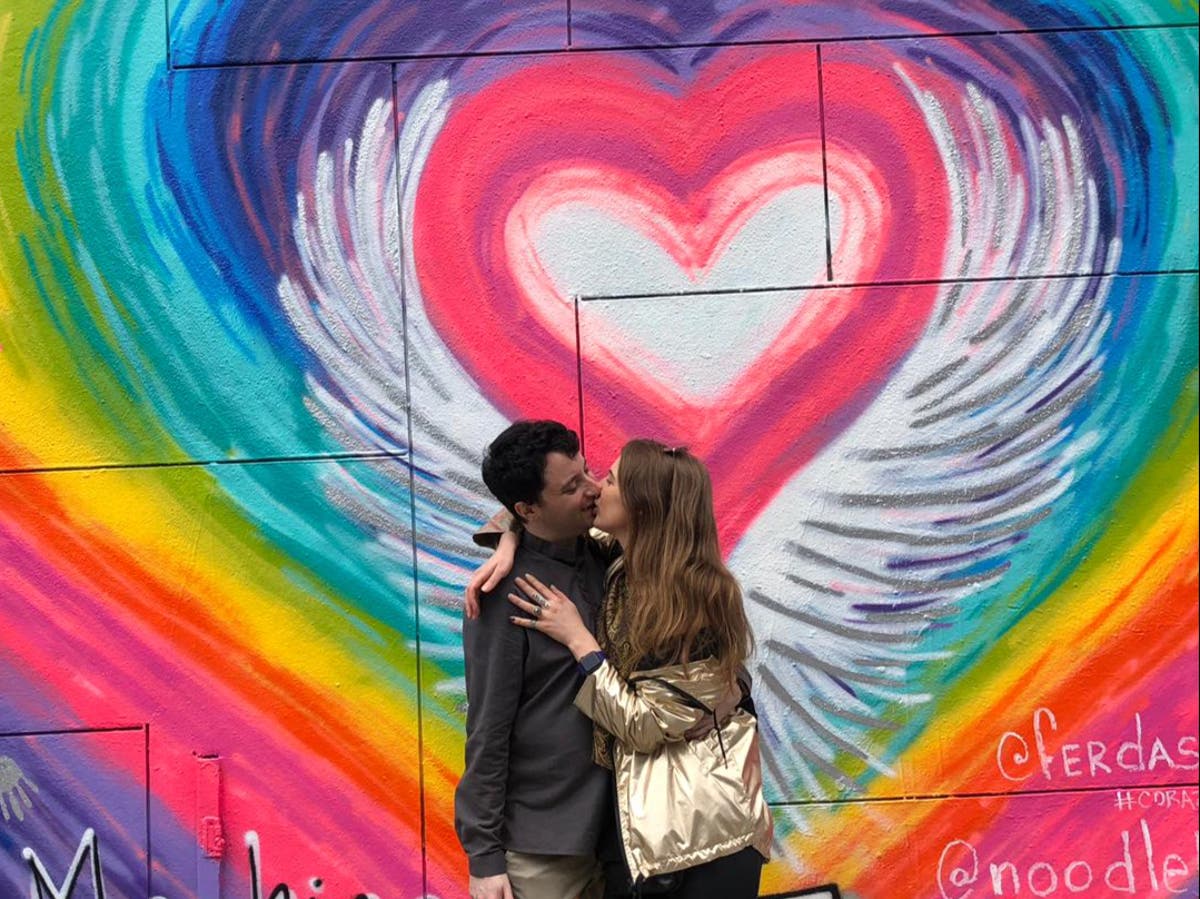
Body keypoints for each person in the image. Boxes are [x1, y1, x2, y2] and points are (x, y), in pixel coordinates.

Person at [472, 439, 773, 897]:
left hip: (702, 835)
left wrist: (579, 640)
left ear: (642, 507)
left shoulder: (688, 598)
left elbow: (647, 726)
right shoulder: (616, 555)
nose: (594, 487)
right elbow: (538, 513)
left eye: (607, 480)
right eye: (587, 479)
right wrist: (509, 540)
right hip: (641, 833)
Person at [454, 420, 612, 899]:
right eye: (572, 486)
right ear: (527, 509)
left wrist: (507, 534)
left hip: (621, 839)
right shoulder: (504, 591)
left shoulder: (606, 554)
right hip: (542, 848)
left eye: (587, 472)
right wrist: (484, 857)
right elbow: (488, 726)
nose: (592, 489)